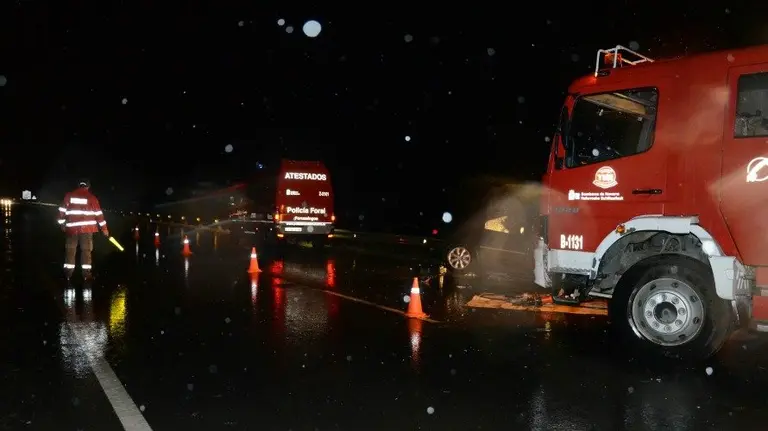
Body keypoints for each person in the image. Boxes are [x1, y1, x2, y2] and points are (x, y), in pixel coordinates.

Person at [57, 180, 109, 280]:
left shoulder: (69, 196)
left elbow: (61, 212)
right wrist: (104, 229)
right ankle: (86, 275)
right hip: (87, 230)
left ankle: (68, 274)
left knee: (70, 251)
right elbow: (99, 215)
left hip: (71, 229)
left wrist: (62, 224)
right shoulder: (92, 198)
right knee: (86, 251)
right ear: (88, 187)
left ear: (79, 186)